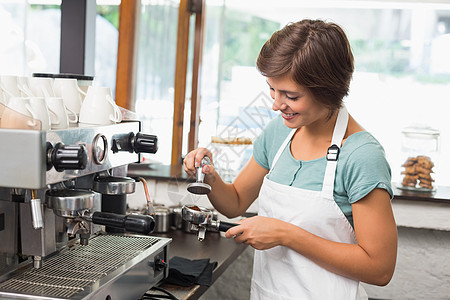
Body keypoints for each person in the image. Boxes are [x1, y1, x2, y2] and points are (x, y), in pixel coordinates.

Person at [183, 19, 397, 300]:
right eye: (272, 89)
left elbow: (379, 269)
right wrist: (209, 176)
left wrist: (286, 235)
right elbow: (235, 202)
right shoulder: (280, 133)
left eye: (291, 96)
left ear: (329, 90)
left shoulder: (361, 156)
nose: (276, 104)